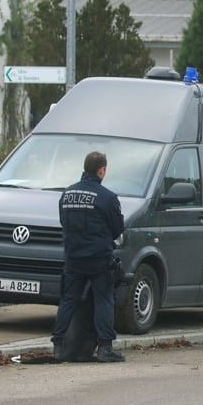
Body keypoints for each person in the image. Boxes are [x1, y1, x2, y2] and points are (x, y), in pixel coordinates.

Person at [52, 151, 125, 362]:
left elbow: (63, 223)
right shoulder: (107, 197)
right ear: (101, 170)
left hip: (73, 258)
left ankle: (58, 346)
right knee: (104, 300)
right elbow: (117, 228)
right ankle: (104, 348)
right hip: (99, 259)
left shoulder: (67, 194)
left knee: (68, 301)